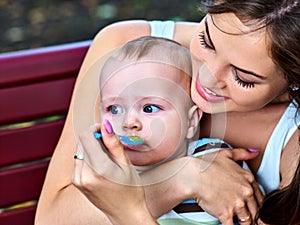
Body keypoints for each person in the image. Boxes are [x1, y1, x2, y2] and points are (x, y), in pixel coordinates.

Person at [35, 1, 300, 225]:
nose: (206, 79)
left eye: (242, 78)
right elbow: (52, 218)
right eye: (206, 41)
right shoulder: (126, 48)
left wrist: (133, 211)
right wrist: (182, 178)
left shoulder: (293, 147)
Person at [91, 35, 237, 224]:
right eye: (114, 109)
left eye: (149, 108)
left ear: (191, 122)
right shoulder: (105, 176)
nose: (128, 123)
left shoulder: (211, 158)